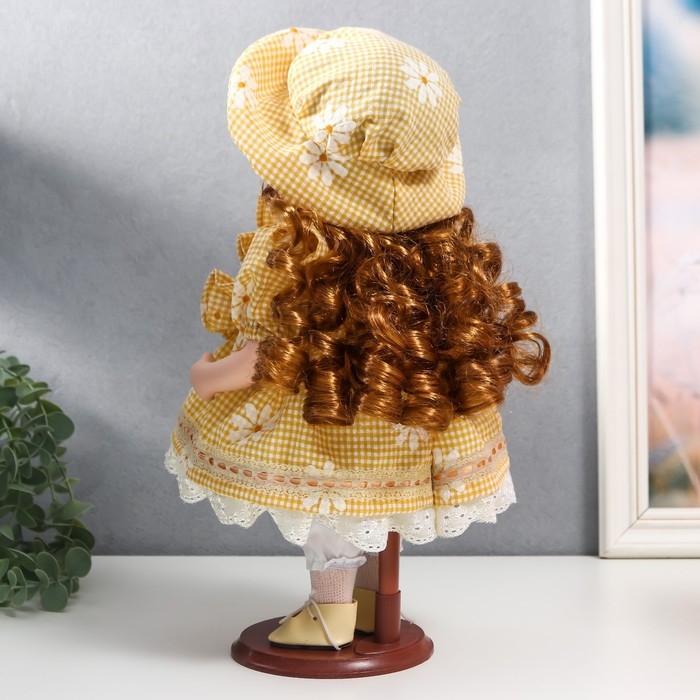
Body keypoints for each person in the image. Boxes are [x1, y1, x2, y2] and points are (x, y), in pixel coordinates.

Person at [165, 26, 550, 650]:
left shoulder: (297, 252)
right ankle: (376, 604)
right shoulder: (435, 256)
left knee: (331, 514)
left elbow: (273, 353)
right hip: (404, 424)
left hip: (325, 425)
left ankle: (330, 616)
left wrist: (206, 377)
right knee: (373, 515)